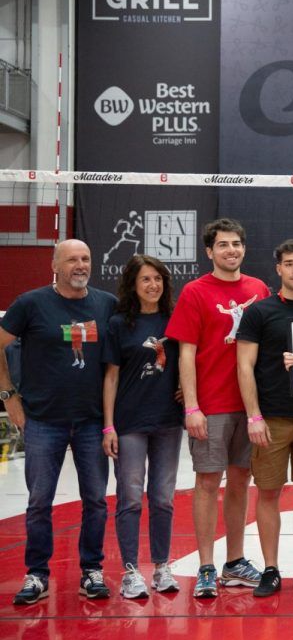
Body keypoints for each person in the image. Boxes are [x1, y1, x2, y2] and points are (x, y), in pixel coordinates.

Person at [1, 240, 117, 605]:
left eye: (85, 258)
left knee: (95, 500)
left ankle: (91, 570)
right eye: (71, 260)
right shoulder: (30, 304)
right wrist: (9, 398)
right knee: (39, 501)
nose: (80, 265)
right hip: (43, 420)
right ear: (54, 264)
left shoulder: (106, 304)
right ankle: (36, 574)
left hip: (92, 421)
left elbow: (121, 359)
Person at [166, 218, 270, 597]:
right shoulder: (195, 292)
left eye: (237, 244)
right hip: (211, 407)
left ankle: (234, 562)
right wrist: (192, 406)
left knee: (241, 482)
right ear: (209, 251)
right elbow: (186, 355)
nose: (232, 250)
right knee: (208, 483)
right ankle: (207, 566)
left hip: (250, 408)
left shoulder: (258, 288)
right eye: (223, 245)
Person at [236, 239, 293, 597]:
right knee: (268, 493)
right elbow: (244, 366)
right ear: (278, 269)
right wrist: (253, 415)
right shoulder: (259, 312)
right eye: (289, 264)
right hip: (271, 418)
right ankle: (271, 569)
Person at [101, 255, 183, 598]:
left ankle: (162, 567)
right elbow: (111, 376)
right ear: (133, 286)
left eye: (158, 279)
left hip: (168, 421)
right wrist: (108, 426)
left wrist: (186, 388)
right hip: (130, 422)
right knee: (131, 498)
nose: (153, 285)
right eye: (145, 279)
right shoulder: (120, 324)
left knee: (163, 498)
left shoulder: (175, 320)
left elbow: (189, 360)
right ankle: (131, 571)